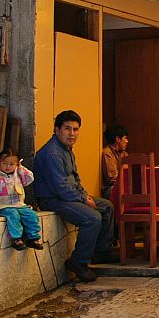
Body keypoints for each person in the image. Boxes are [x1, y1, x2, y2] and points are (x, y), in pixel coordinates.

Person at [34, 110, 115, 282]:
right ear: (57, 130)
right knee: (92, 218)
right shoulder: (52, 153)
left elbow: (75, 178)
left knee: (106, 206)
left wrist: (84, 195)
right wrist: (84, 199)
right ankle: (78, 262)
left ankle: (101, 252)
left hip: (69, 195)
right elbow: (61, 188)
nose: (72, 134)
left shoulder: (67, 149)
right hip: (52, 199)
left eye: (76, 129)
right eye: (67, 129)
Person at [0, 149, 43, 251]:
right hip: (4, 206)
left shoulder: (18, 177)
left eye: (12, 164)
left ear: (16, 165)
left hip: (20, 205)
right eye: (5, 163)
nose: (8, 167)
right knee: (13, 216)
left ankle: (33, 238)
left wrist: (20, 168)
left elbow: (30, 178)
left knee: (32, 215)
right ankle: (17, 238)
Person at [100, 124, 128, 199]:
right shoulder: (107, 152)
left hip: (124, 184)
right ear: (118, 139)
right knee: (123, 190)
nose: (127, 141)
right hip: (111, 187)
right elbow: (111, 178)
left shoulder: (124, 154)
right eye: (125, 138)